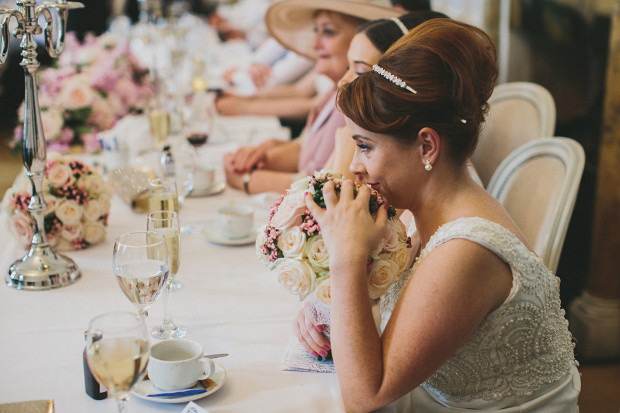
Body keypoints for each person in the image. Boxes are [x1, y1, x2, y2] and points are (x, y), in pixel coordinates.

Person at [297, 19, 580, 412]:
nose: (355, 167)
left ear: (426, 145)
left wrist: (346, 260)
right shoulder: (431, 211)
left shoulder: (464, 250)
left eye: (365, 147)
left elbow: (364, 397)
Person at [222, 0, 403, 195]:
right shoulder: (334, 90)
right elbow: (306, 149)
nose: (315, 44)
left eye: (328, 32)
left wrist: (247, 180)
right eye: (316, 31)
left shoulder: (358, 110)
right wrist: (265, 155)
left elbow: (329, 189)